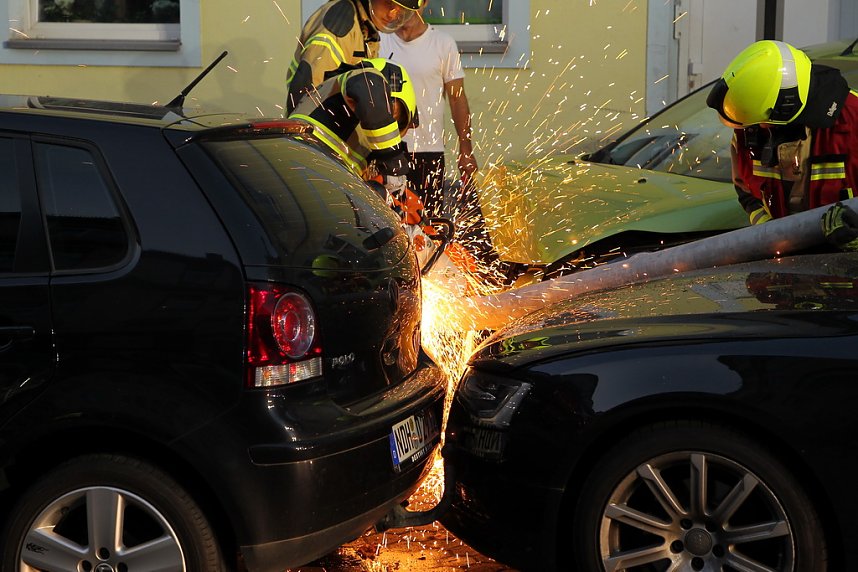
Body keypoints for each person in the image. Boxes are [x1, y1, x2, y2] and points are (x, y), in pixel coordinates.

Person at [706, 39, 858, 251]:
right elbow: (746, 191)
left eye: (761, 121)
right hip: (779, 273)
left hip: (841, 276)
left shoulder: (853, 123)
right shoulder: (748, 125)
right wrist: (769, 233)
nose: (758, 127)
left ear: (785, 106)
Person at [379, 1, 477, 218]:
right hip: (385, 148)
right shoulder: (379, 41)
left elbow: (457, 99)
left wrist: (465, 148)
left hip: (428, 150)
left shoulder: (442, 44)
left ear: (423, 5)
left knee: (427, 222)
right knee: (389, 221)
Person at [285, 0, 425, 114]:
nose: (392, 15)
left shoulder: (364, 27)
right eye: (389, 4)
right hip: (318, 137)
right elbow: (310, 92)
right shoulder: (341, 21)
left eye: (402, 12)